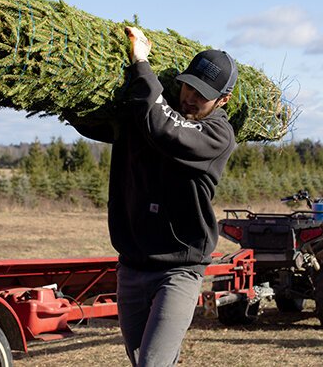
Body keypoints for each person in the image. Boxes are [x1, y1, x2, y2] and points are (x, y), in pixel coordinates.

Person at [69, 26, 237, 366]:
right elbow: (91, 123)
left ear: (223, 100)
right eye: (188, 85)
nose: (190, 96)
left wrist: (141, 63)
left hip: (179, 270)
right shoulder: (149, 112)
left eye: (202, 94)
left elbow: (165, 128)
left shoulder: (218, 134)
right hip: (131, 265)